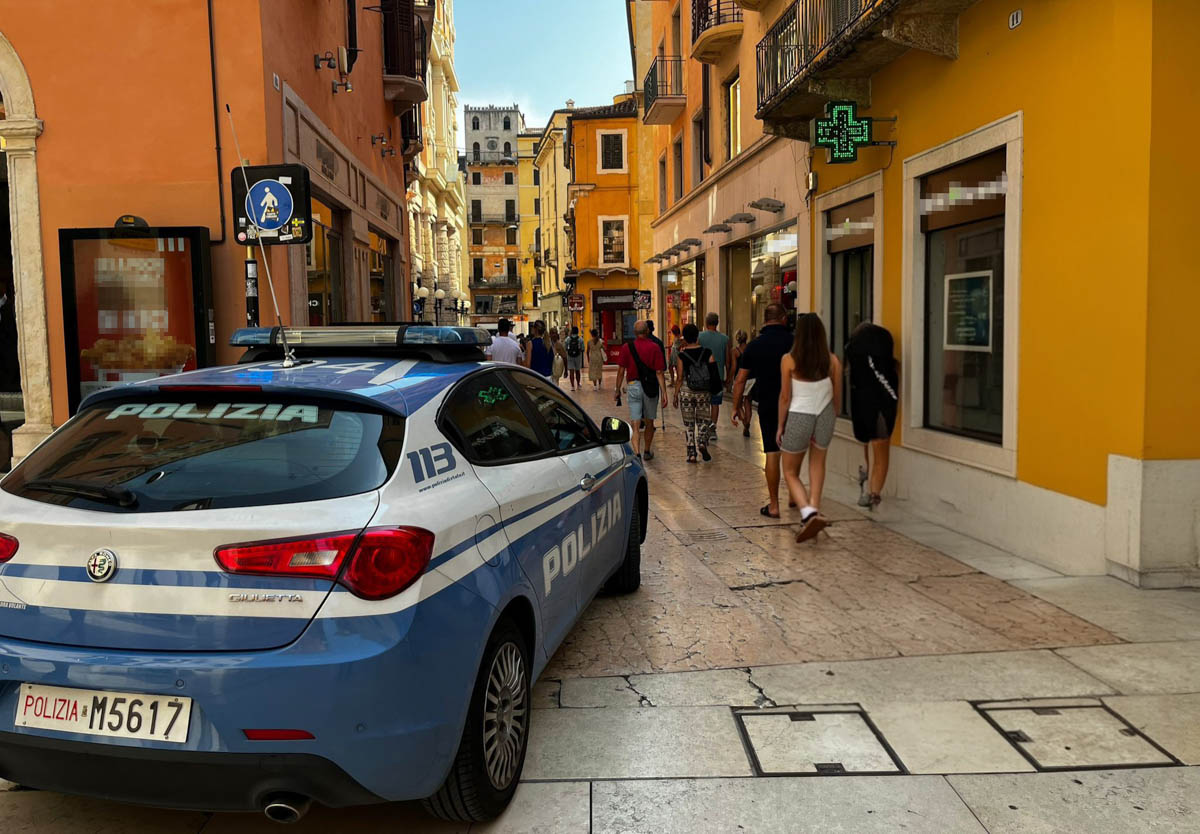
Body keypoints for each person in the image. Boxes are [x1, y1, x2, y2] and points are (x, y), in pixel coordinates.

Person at [778, 313, 842, 543]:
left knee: (790, 471)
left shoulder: (789, 360)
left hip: (799, 415)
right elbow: (837, 400)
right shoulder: (833, 361)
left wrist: (780, 426)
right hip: (825, 415)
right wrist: (829, 418)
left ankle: (807, 511)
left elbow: (785, 398)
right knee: (818, 464)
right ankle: (814, 507)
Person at [730, 304, 793, 518]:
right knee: (794, 451)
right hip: (796, 404)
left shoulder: (754, 346)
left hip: (768, 404)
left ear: (765, 320)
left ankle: (774, 504)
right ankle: (795, 496)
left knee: (772, 453)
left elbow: (740, 380)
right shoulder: (794, 342)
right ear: (783, 318)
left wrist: (735, 406)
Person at [845, 322, 899, 510]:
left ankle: (866, 486)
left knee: (865, 446)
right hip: (883, 410)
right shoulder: (888, 369)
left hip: (862, 410)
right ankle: (874, 493)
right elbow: (891, 392)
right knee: (881, 453)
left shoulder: (855, 369)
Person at [614, 320, 666, 459]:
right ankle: (647, 451)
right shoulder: (655, 347)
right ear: (648, 331)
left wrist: (617, 389)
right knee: (649, 421)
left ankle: (636, 452)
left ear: (634, 332)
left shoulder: (627, 347)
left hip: (633, 386)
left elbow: (621, 371)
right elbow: (659, 372)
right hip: (650, 387)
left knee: (635, 422)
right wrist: (664, 392)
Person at [672, 323, 720, 463]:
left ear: (685, 338)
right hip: (703, 392)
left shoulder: (682, 355)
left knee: (689, 424)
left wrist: (676, 394)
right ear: (697, 336)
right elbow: (713, 372)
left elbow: (680, 377)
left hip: (687, 392)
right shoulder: (707, 352)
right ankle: (701, 442)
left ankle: (691, 453)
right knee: (703, 420)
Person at [697, 312, 732, 443]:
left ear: (706, 323)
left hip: (701, 376)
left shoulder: (699, 337)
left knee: (703, 403)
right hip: (718, 376)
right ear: (717, 323)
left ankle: (703, 428)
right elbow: (728, 361)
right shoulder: (725, 339)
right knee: (715, 404)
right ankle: (712, 429)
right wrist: (728, 377)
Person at [731, 329, 751, 436]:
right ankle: (747, 423)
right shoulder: (751, 349)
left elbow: (734, 367)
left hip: (739, 378)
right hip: (751, 378)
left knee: (738, 404)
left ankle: (744, 421)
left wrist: (730, 379)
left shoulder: (735, 351)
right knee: (748, 402)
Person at [564, 326, 585, 391]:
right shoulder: (580, 339)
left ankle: (572, 386)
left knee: (571, 371)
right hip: (578, 356)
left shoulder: (567, 339)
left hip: (570, 356)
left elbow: (565, 348)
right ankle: (578, 384)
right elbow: (583, 348)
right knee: (577, 371)